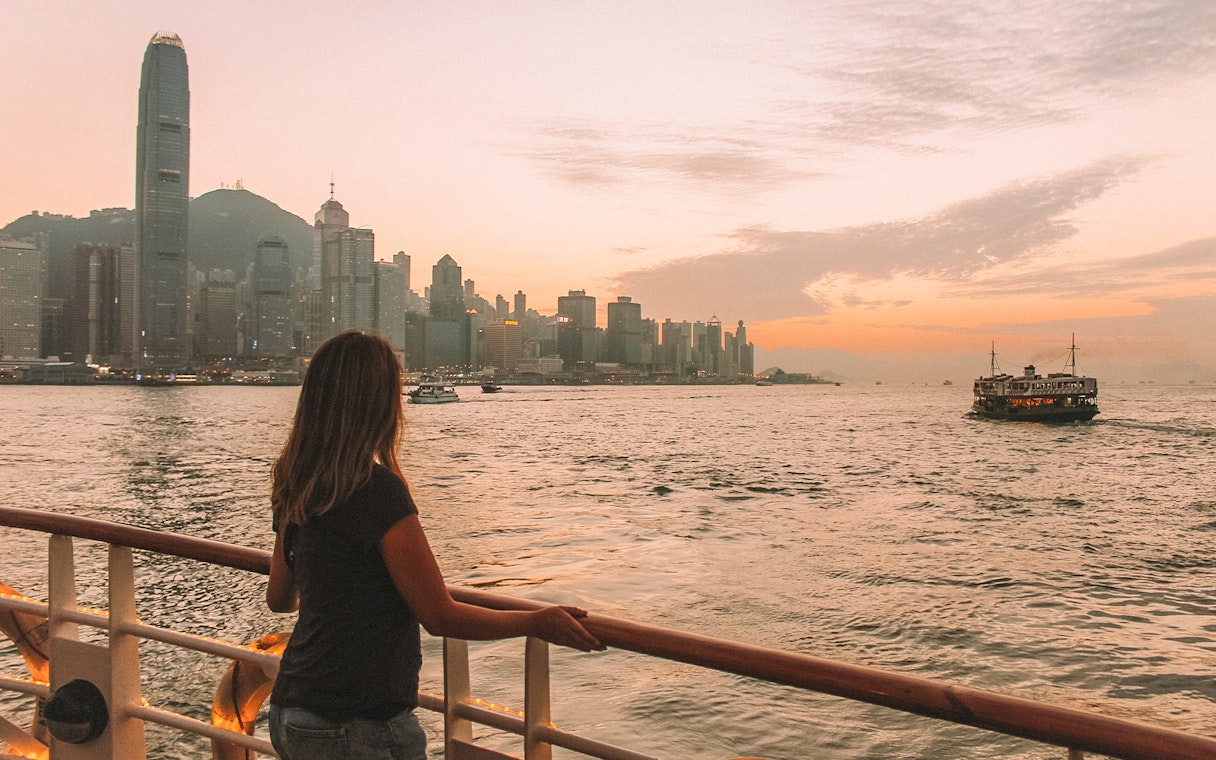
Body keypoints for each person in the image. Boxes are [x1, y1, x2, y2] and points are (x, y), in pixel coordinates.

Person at [266, 331, 603, 760]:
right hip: (355, 725)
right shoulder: (377, 492)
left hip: (291, 710)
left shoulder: (296, 483)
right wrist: (535, 622)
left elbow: (280, 599)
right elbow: (440, 616)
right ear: (379, 404)